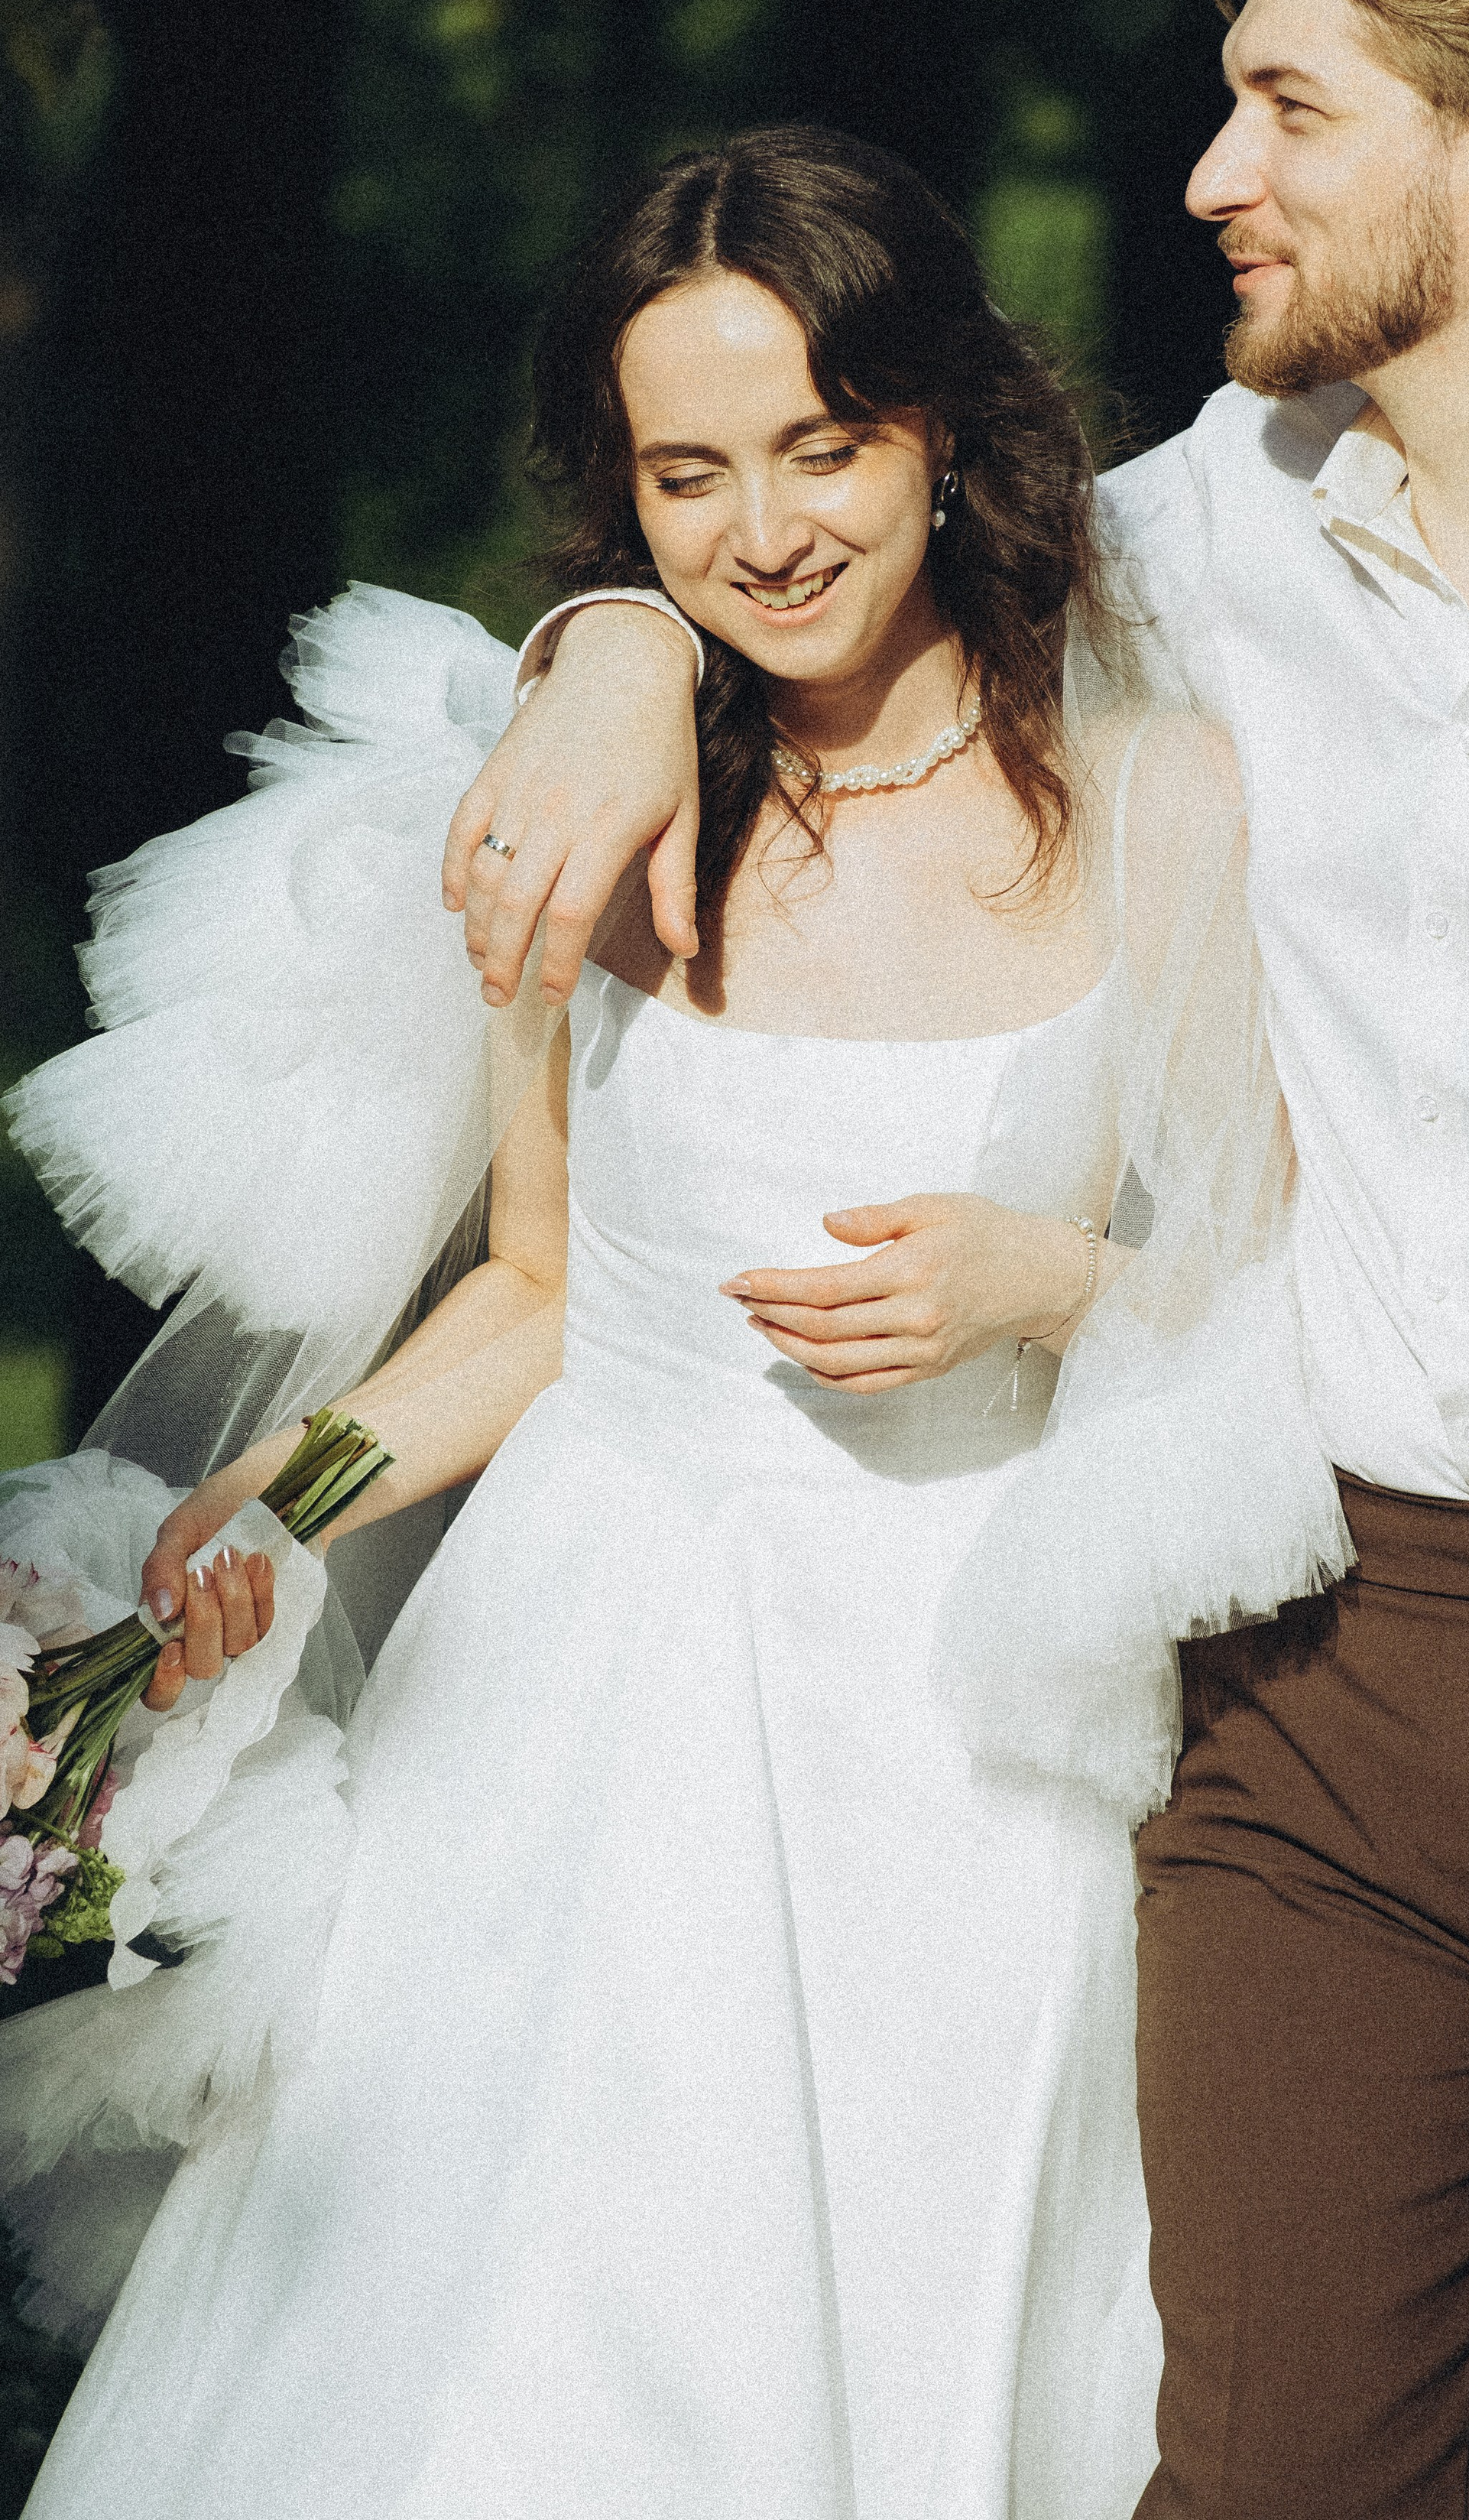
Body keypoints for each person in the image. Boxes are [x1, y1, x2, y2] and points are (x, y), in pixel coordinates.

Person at [452, 0, 1469, 2518]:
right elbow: (838, 537)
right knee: (1263, 2470)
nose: (1205, 178)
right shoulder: (1188, 549)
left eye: (1283, 108)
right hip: (1320, 1685)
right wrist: (619, 650)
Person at [0, 125, 1347, 2519]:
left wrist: (1052, 1284)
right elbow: (537, 1288)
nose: (769, 529)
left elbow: (1274, 1288)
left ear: (948, 426)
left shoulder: (1162, 799)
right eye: (690, 473)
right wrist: (269, 1500)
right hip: (574, 1698)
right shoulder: (588, 821)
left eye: (828, 445)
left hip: (958, 1724)